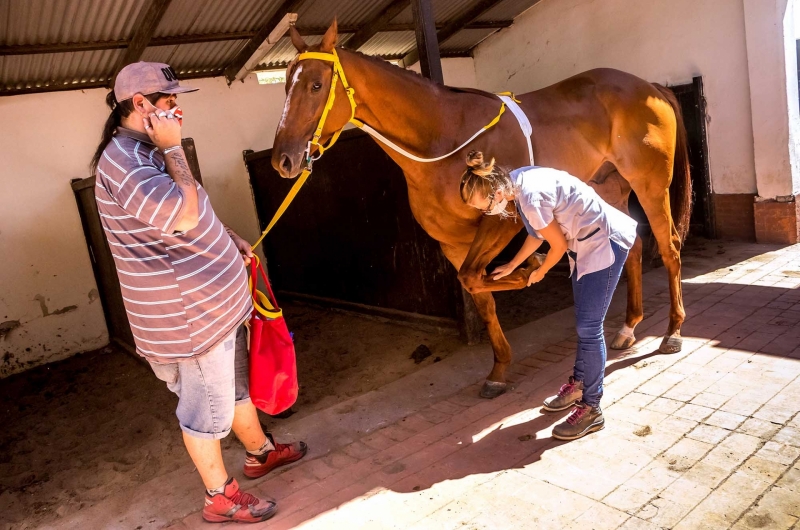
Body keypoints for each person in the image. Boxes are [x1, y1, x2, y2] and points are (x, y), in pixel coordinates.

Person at [90, 62, 307, 523]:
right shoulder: (127, 161)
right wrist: (175, 151)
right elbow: (183, 218)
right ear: (141, 105)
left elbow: (192, 211)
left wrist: (226, 236)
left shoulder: (146, 150)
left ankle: (259, 452)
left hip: (211, 309)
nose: (177, 107)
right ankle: (218, 495)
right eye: (168, 100)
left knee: (234, 387)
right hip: (188, 318)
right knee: (204, 409)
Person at [460, 151, 637, 441]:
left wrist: (538, 273)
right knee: (584, 322)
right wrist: (513, 265)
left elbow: (555, 246)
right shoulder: (517, 180)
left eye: (485, 206)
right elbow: (539, 232)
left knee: (589, 328)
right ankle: (580, 383)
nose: (487, 212)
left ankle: (592, 409)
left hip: (605, 241)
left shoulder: (529, 197)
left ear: (496, 191)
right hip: (585, 243)